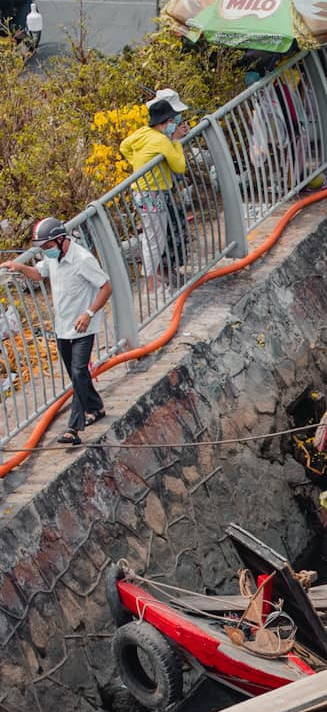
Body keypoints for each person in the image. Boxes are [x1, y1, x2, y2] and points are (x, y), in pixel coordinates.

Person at [2, 219, 111, 447]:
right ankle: (95, 406)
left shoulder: (82, 260)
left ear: (60, 239)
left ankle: (73, 427)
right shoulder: (52, 258)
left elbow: (106, 287)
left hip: (83, 327)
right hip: (62, 327)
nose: (46, 251)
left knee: (79, 371)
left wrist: (88, 313)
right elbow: (39, 274)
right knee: (75, 375)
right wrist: (19, 267)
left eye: (48, 246)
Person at [119, 94, 190, 286]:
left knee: (152, 236)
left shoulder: (143, 132)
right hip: (154, 193)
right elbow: (179, 166)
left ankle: (152, 279)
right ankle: (151, 283)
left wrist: (137, 164)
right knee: (155, 239)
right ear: (166, 122)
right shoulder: (162, 141)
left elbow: (124, 146)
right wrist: (176, 141)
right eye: (171, 121)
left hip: (141, 192)